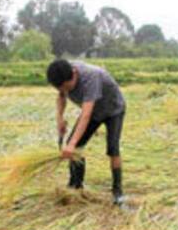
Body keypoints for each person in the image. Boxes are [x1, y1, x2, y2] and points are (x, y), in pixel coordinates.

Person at [46, 59, 127, 205]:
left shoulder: (91, 77)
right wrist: (60, 118)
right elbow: (61, 96)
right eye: (61, 88)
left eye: (66, 87)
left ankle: (118, 192)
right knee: (76, 148)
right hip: (95, 112)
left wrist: (71, 144)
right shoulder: (63, 73)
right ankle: (76, 187)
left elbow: (86, 115)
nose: (65, 91)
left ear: (74, 74)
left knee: (113, 149)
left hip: (113, 110)